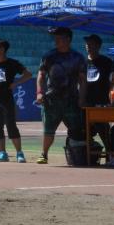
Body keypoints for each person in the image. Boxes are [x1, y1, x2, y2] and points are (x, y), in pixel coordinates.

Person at [36, 27, 87, 165]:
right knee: (48, 130)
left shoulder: (78, 57)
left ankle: (77, 155)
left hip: (72, 101)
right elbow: (41, 76)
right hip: (51, 101)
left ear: (68, 39)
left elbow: (83, 80)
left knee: (76, 130)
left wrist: (82, 99)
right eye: (56, 38)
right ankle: (44, 154)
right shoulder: (48, 56)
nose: (56, 40)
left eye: (60, 38)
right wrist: (39, 92)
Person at [0, 40, 32, 162]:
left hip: (7, 99)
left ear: (3, 49)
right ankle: (3, 153)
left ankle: (19, 153)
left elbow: (28, 74)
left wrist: (15, 83)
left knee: (11, 125)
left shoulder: (13, 63)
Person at [84, 34, 114, 165]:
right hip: (85, 103)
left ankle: (111, 156)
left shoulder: (106, 62)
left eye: (91, 44)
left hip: (101, 102)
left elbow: (112, 80)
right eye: (87, 44)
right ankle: (87, 156)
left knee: (104, 131)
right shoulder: (82, 62)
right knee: (84, 131)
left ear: (98, 46)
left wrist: (110, 97)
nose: (88, 46)